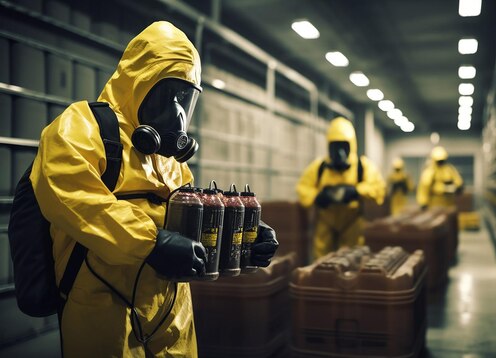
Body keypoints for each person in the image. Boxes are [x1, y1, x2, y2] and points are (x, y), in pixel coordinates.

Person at [30, 22, 278, 357]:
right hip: (102, 307)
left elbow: (191, 216)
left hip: (173, 309)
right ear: (137, 84)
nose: (177, 113)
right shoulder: (82, 128)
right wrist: (152, 242)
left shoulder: (170, 160)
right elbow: (74, 198)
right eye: (167, 95)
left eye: (185, 100)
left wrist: (247, 234)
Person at [296, 117, 385, 259]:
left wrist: (356, 191)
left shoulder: (362, 166)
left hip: (352, 223)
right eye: (335, 146)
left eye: (344, 146)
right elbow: (303, 187)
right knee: (321, 262)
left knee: (353, 261)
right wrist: (317, 197)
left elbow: (378, 187)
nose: (339, 151)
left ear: (352, 146)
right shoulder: (319, 167)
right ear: (328, 146)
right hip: (326, 222)